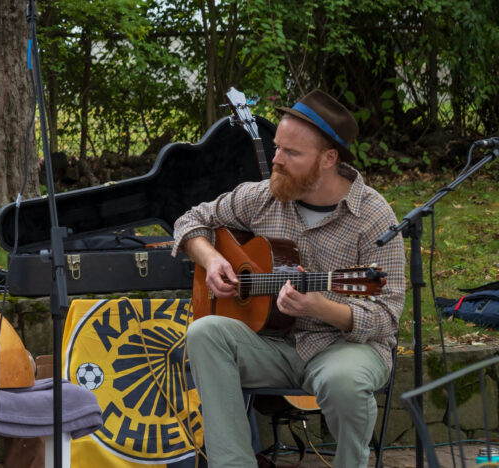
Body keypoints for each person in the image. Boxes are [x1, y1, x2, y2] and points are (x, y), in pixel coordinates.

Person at [172, 90, 406, 467]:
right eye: (277, 147)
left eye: (291, 153)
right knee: (204, 333)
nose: (276, 160)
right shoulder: (264, 196)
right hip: (273, 346)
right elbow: (190, 220)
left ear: (329, 159)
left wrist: (321, 307)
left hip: (342, 348)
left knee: (343, 381)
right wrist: (212, 259)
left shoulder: (373, 217)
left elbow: (386, 316)